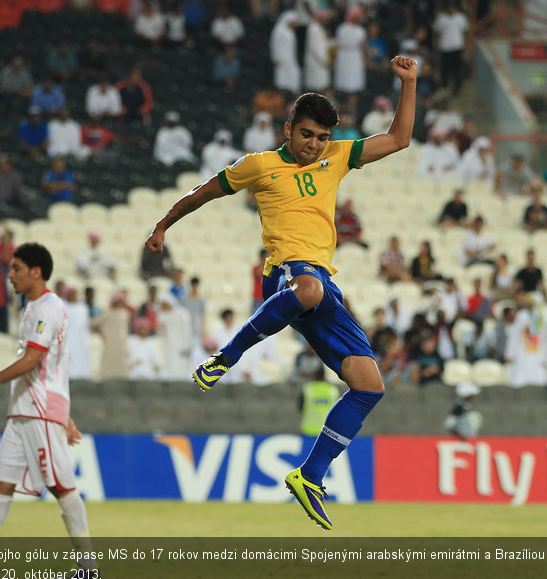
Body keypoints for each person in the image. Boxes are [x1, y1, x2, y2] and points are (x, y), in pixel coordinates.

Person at [144, 56, 418, 530]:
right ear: (289, 129)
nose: (315, 144)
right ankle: (225, 357)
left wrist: (409, 84)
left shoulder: (337, 158)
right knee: (308, 286)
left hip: (321, 282)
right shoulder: (258, 166)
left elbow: (398, 139)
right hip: (286, 275)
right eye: (308, 134)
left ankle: (310, 475)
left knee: (370, 385)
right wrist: (164, 223)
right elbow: (204, 193)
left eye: (323, 137)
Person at [0, 243, 96, 577]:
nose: (10, 274)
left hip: (38, 409)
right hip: (25, 409)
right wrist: (67, 417)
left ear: (36, 271)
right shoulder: (31, 308)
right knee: (1, 485)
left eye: (16, 267)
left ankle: (88, 566)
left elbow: (32, 361)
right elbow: (50, 368)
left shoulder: (48, 307)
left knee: (61, 487)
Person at [433, 1, 469, 95]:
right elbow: (437, 33)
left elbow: (465, 32)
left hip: (457, 46)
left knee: (457, 69)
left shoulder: (460, 18)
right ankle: (444, 85)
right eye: (449, 7)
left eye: (453, 7)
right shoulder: (441, 18)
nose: (451, 9)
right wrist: (437, 46)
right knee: (445, 68)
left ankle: (457, 87)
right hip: (445, 47)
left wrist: (466, 46)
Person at [298, 366, 341, 437]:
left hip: (309, 429)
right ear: (325, 376)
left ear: (314, 376)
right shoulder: (333, 390)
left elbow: (300, 408)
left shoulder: (307, 389)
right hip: (328, 431)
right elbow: (338, 411)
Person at [63, 286, 93, 380]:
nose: (73, 296)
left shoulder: (82, 308)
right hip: (67, 339)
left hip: (80, 340)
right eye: (71, 294)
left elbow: (85, 325)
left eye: (75, 294)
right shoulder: (62, 306)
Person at [269, 11, 301, 96]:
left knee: (294, 74)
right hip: (281, 59)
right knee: (282, 78)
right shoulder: (279, 30)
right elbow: (274, 45)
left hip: (290, 58)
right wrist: (275, 58)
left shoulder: (290, 32)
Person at [304, 9, 332, 93]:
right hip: (317, 63)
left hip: (320, 62)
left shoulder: (318, 28)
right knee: (316, 88)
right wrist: (325, 60)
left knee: (321, 86)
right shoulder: (314, 30)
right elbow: (315, 48)